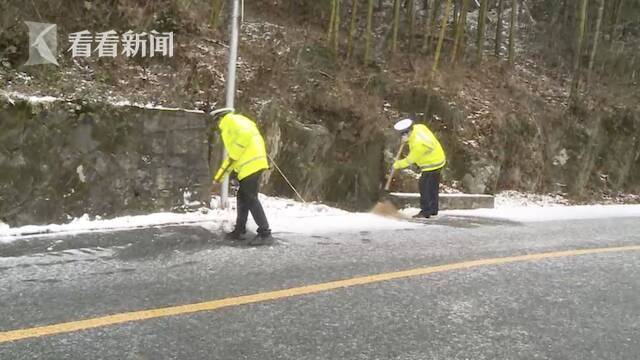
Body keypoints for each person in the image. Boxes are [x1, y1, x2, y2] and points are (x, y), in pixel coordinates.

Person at [210, 108, 273, 245]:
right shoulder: (239, 120)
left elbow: (236, 150)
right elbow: (231, 159)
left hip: (250, 164)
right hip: (253, 163)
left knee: (250, 198)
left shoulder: (229, 122)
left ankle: (265, 233)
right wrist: (218, 179)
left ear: (219, 118)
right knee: (243, 197)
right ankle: (239, 230)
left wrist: (217, 180)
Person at [392, 118, 446, 219]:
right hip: (440, 158)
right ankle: (433, 209)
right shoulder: (419, 127)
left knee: (423, 185)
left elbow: (410, 160)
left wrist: (397, 164)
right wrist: (408, 140)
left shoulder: (418, 144)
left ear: (407, 133)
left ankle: (425, 211)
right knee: (433, 186)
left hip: (432, 164)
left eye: (402, 135)